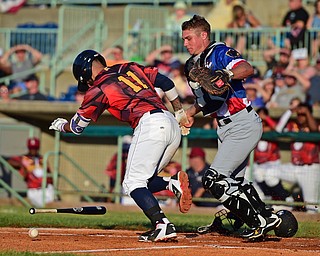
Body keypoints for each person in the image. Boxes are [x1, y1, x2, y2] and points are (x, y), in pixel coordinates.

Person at [49, 49, 192, 242]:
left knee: (132, 183)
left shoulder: (98, 87)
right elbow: (166, 82)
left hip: (150, 125)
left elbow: (76, 127)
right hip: (169, 122)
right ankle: (171, 183)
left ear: (86, 73)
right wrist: (180, 111)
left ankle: (162, 224)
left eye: (86, 80)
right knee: (144, 180)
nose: (88, 84)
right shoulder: (129, 67)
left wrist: (60, 125)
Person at [181, 15, 282, 240]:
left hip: (242, 122)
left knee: (213, 179)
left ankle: (260, 221)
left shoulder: (218, 52)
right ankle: (267, 215)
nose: (185, 43)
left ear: (203, 35)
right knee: (235, 182)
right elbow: (209, 100)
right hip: (225, 126)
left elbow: (246, 68)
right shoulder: (193, 64)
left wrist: (226, 73)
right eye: (184, 39)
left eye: (189, 38)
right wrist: (188, 113)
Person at [268, 103, 319, 213]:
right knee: (269, 173)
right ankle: (288, 199)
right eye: (299, 114)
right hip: (294, 168)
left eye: (303, 114)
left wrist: (307, 112)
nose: (300, 117)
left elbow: (315, 129)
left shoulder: (315, 125)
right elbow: (278, 129)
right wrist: (290, 111)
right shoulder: (294, 126)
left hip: (309, 170)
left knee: (311, 206)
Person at [7, 137, 54, 207]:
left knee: (51, 205)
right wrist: (21, 165)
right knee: (44, 206)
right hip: (33, 189)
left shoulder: (42, 158)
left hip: (46, 188)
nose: (33, 150)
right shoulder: (23, 158)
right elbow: (10, 161)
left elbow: (49, 173)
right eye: (31, 148)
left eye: (35, 148)